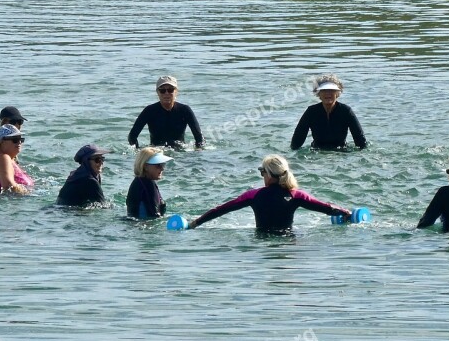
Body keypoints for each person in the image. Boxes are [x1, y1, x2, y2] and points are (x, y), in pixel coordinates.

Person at [189, 154, 352, 234]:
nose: (262, 175)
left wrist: (196, 222)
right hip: (288, 241)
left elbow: (223, 209)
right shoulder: (296, 195)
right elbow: (325, 207)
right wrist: (346, 213)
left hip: (261, 244)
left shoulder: (253, 195)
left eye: (262, 172)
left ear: (268, 175)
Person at [290, 74, 367, 150]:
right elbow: (297, 140)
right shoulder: (311, 112)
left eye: (331, 90)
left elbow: (360, 140)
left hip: (341, 153)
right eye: (324, 90)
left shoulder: (346, 111)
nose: (328, 93)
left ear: (337, 93)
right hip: (316, 153)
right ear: (318, 93)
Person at [128, 76, 204, 149]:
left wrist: (198, 150)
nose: (166, 93)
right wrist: (139, 151)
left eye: (170, 90)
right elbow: (132, 136)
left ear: (176, 91)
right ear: (157, 92)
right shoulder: (149, 111)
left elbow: (198, 136)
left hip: (180, 152)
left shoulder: (185, 110)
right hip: (156, 152)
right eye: (162, 90)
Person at [0, 125, 34, 195]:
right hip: (9, 202)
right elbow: (9, 186)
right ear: (2, 142)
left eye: (20, 139)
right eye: (15, 139)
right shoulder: (3, 158)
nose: (19, 142)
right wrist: (33, 194)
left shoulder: (4, 158)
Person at [126, 147, 172, 219]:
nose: (162, 168)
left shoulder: (139, 182)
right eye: (158, 165)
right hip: (145, 227)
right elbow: (154, 216)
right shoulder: (148, 185)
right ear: (145, 166)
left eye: (163, 164)